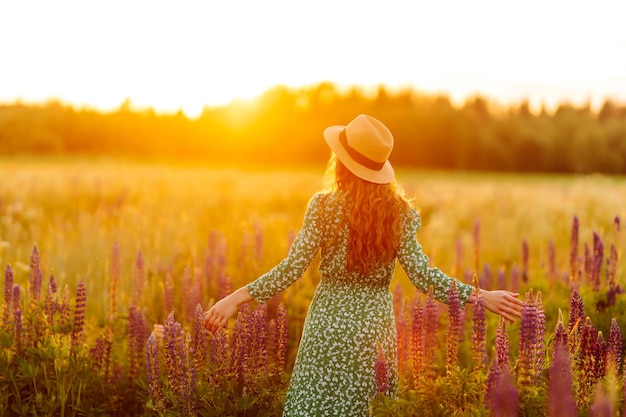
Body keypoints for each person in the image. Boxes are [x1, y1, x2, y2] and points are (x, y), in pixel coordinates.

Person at [204, 114, 524, 416]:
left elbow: (291, 268)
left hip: (327, 325)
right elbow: (423, 276)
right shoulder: (400, 213)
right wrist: (481, 296)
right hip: (373, 330)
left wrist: (235, 298)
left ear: (341, 162)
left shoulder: (323, 206)